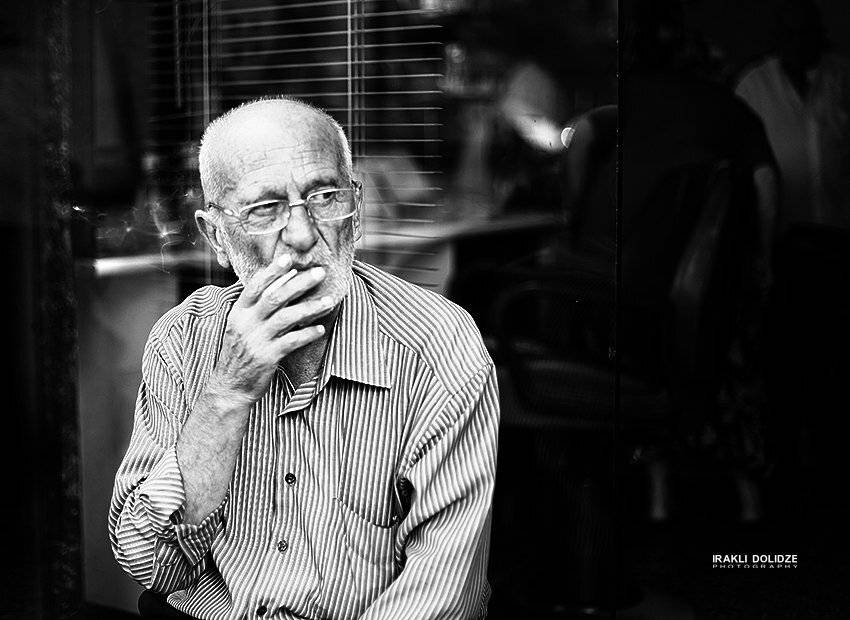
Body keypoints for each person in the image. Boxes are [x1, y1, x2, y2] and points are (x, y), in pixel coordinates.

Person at [109, 98, 499, 620]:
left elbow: (444, 592)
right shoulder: (183, 339)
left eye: (324, 196)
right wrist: (227, 393)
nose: (301, 234)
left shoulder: (438, 345)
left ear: (355, 214)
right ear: (216, 237)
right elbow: (149, 564)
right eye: (264, 209)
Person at [735, 0, 850, 234]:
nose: (799, 43)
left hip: (840, 227)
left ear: (820, 36)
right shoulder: (754, 86)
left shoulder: (843, 78)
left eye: (806, 33)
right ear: (778, 38)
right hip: (781, 234)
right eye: (791, 34)